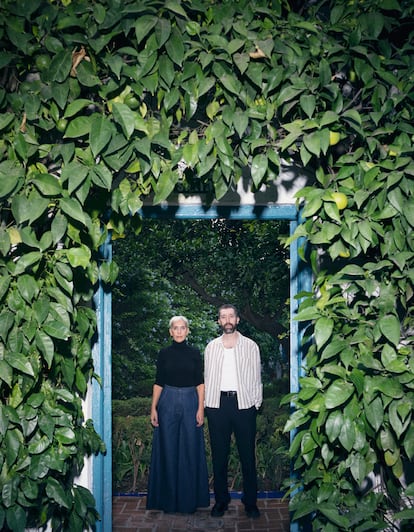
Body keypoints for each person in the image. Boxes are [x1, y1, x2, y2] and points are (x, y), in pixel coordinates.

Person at [204, 304, 263, 519]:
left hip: (244, 405)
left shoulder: (251, 346)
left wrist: (256, 403)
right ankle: (221, 501)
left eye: (231, 316)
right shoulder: (211, 347)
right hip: (217, 405)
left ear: (238, 319)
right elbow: (207, 377)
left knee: (247, 456)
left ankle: (250, 502)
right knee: (219, 456)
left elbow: (257, 377)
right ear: (219, 321)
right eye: (223, 317)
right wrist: (206, 405)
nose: (227, 320)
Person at [146, 316, 210, 513]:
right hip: (168, 401)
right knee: (168, 449)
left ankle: (189, 502)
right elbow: (159, 382)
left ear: (188, 331)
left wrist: (201, 408)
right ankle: (168, 502)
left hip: (191, 401)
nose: (180, 331)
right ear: (170, 332)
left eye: (183, 328)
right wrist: (153, 408)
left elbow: (200, 382)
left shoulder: (194, 353)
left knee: (190, 449)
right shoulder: (164, 354)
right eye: (176, 328)